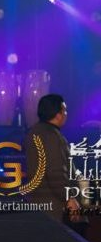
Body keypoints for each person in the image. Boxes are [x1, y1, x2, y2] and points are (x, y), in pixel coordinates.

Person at [24, 94, 87, 232]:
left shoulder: (34, 132)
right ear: (58, 115)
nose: (66, 114)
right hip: (56, 209)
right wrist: (70, 198)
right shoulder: (52, 136)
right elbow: (56, 172)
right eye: (65, 110)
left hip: (39, 206)